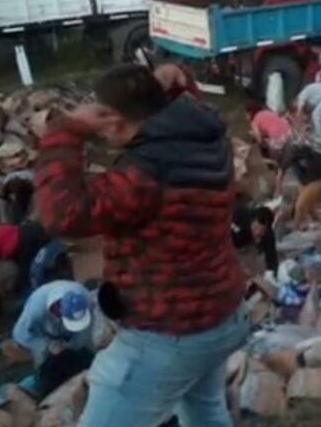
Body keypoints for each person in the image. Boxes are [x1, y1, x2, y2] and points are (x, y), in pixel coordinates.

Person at [34, 64, 247, 427]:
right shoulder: (210, 141)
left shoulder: (143, 175)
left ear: (115, 122)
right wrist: (176, 88)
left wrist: (66, 131)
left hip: (168, 334)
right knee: (204, 412)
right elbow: (190, 118)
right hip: (220, 314)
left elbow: (62, 215)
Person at [12, 280, 95, 397]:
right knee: (46, 371)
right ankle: (37, 390)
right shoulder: (36, 309)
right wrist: (45, 345)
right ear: (57, 309)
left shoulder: (86, 299)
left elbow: (84, 333)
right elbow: (19, 335)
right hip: (43, 336)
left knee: (85, 357)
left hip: (71, 334)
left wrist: (72, 347)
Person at [0, 220, 51, 291]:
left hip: (27, 243)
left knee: (26, 279)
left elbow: (6, 255)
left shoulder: (8, 249)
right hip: (28, 229)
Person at [277, 144, 321, 226]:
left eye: (304, 160)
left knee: (300, 205)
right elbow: (280, 173)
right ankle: (315, 219)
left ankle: (296, 226)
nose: (302, 162)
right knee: (307, 204)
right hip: (304, 182)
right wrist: (278, 188)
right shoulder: (293, 159)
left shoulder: (317, 157)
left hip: (317, 181)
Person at [231, 203, 278, 274]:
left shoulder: (268, 233)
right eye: (255, 228)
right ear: (251, 221)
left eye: (262, 230)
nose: (258, 232)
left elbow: (272, 257)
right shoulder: (239, 218)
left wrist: (271, 273)